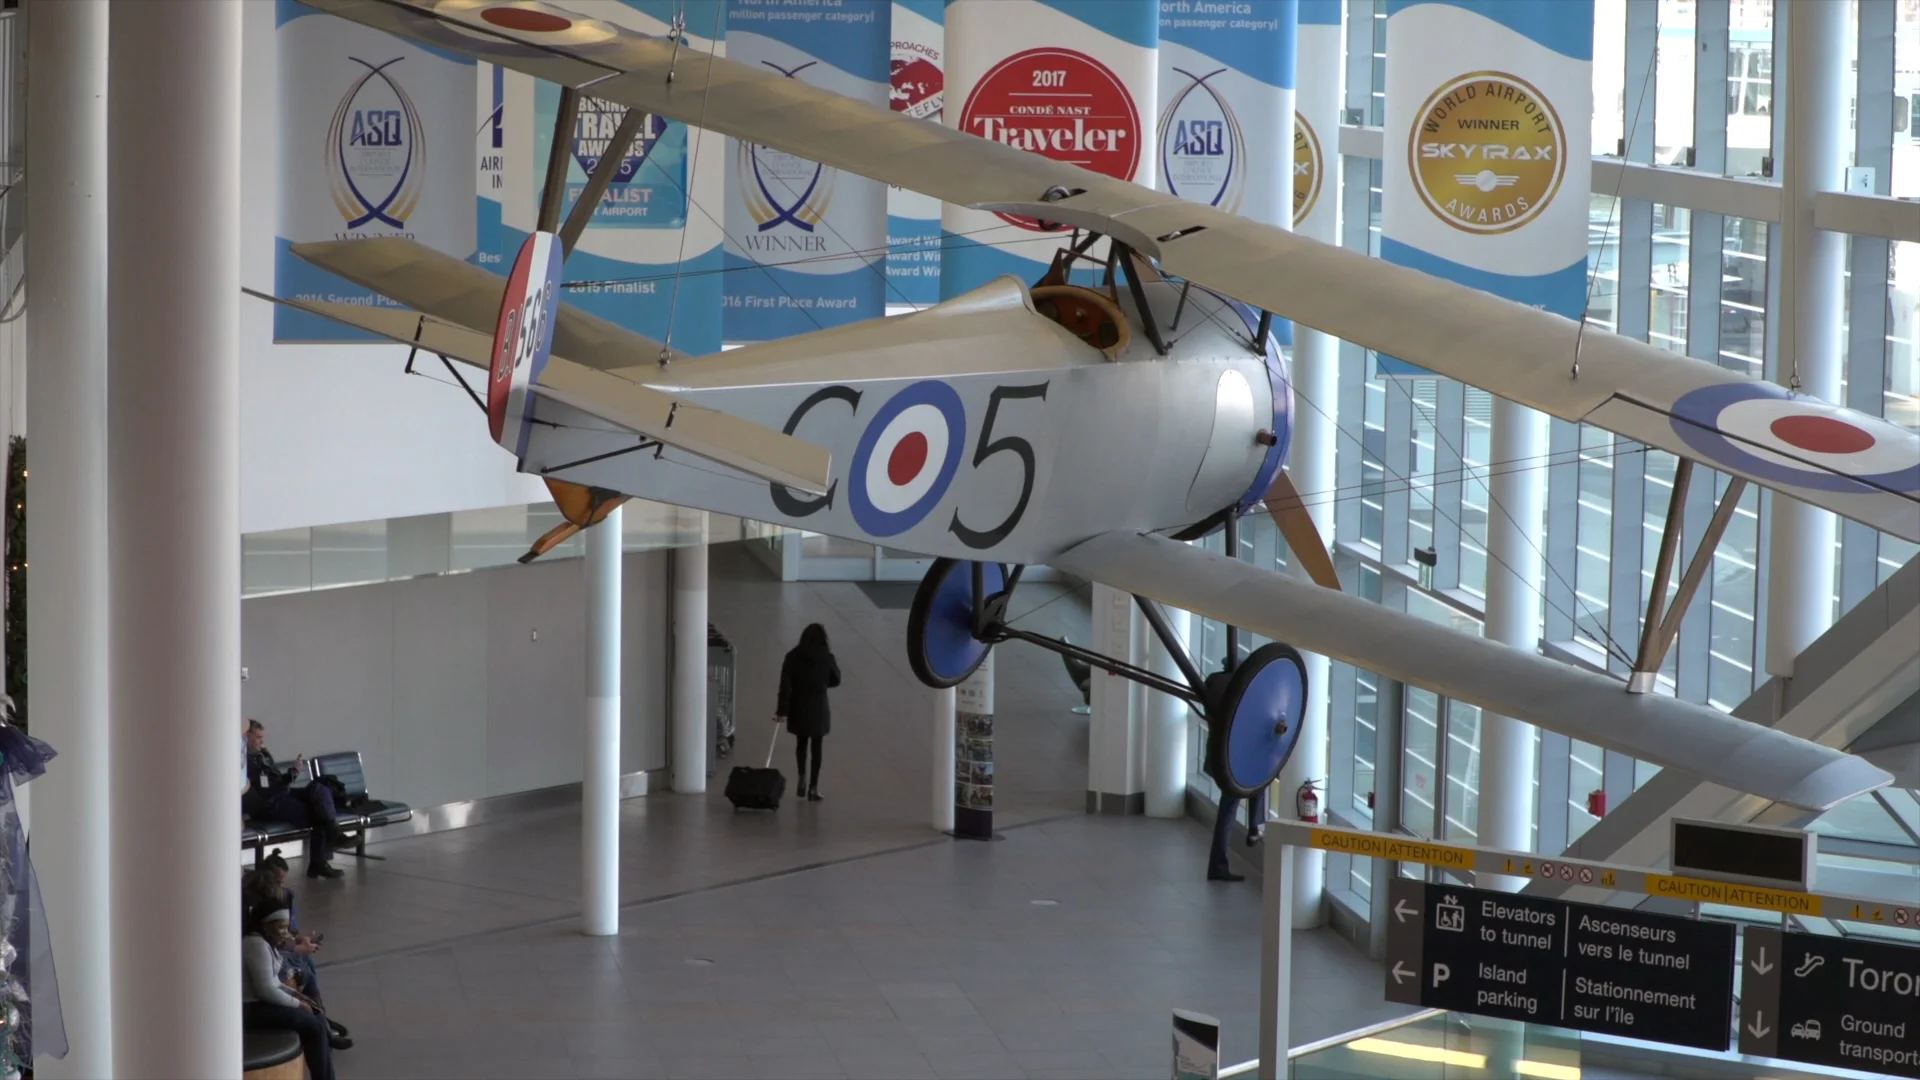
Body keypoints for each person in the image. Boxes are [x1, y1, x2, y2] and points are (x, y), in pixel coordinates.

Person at [242, 855, 351, 1048]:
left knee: (306, 962)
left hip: (273, 954)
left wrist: (299, 938)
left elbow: (284, 933)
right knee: (304, 970)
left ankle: (320, 1014)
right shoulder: (257, 914)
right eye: (279, 882)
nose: (282, 886)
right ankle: (321, 1022)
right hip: (269, 962)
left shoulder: (279, 899)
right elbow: (272, 941)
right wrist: (296, 947)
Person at [244, 720, 353, 879]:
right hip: (270, 803)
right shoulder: (244, 761)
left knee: (319, 789)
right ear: (247, 737)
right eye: (258, 737)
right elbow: (263, 790)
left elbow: (278, 780)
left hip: (282, 794)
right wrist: (280, 785)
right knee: (318, 812)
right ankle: (323, 856)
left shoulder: (264, 754)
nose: (262, 741)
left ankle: (331, 839)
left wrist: (292, 774)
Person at [243, 905, 338, 1080]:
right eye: (281, 927)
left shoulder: (266, 943)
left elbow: (274, 982)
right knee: (313, 1026)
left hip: (260, 1003)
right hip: (252, 1009)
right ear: (266, 925)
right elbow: (266, 990)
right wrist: (298, 1003)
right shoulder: (255, 945)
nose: (285, 933)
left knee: (316, 1015)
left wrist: (298, 995)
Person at [775, 623, 841, 802]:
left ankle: (801, 775)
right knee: (817, 746)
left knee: (801, 743)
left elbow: (785, 685)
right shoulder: (827, 657)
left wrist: (782, 711)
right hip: (819, 704)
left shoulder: (793, 656)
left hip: (799, 704)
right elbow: (836, 679)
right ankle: (813, 787)